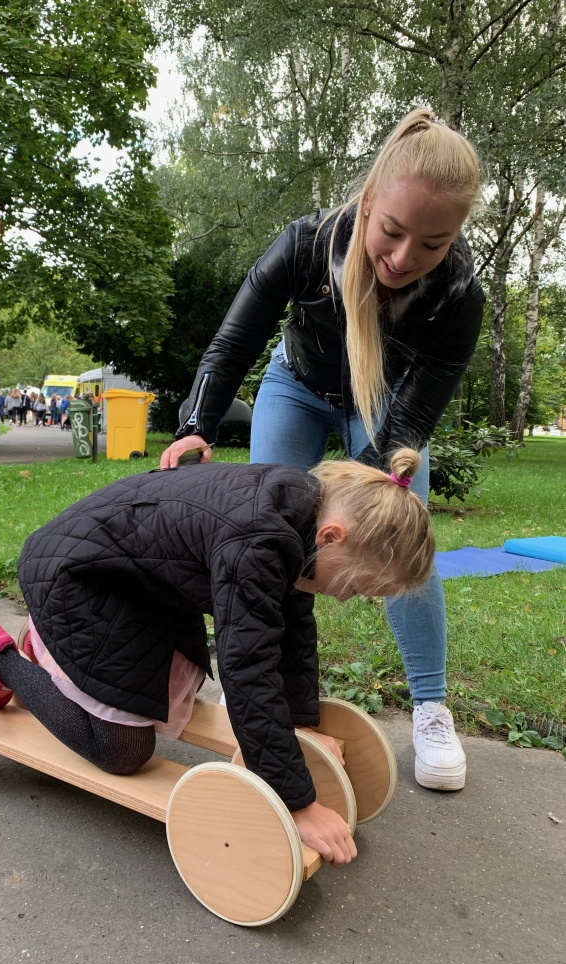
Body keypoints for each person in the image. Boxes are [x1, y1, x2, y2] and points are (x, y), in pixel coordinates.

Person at [160, 108, 484, 792]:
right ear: (367, 203)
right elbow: (235, 340)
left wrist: (376, 486)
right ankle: (259, 685)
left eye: (431, 244)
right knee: (262, 534)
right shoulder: (309, 243)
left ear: (454, 237)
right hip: (296, 386)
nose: (403, 259)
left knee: (401, 537)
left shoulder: (459, 293)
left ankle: (431, 707)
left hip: (386, 407)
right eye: (391, 231)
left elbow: (415, 412)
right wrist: (197, 423)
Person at [0, 448, 434, 866]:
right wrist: (297, 802)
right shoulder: (259, 540)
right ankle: (1, 658)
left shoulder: (300, 514)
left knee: (174, 690)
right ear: (332, 537)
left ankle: (51, 648)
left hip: (138, 585)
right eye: (356, 586)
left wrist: (301, 723)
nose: (348, 598)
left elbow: (291, 629)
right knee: (123, 750)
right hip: (75, 579)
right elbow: (248, 669)